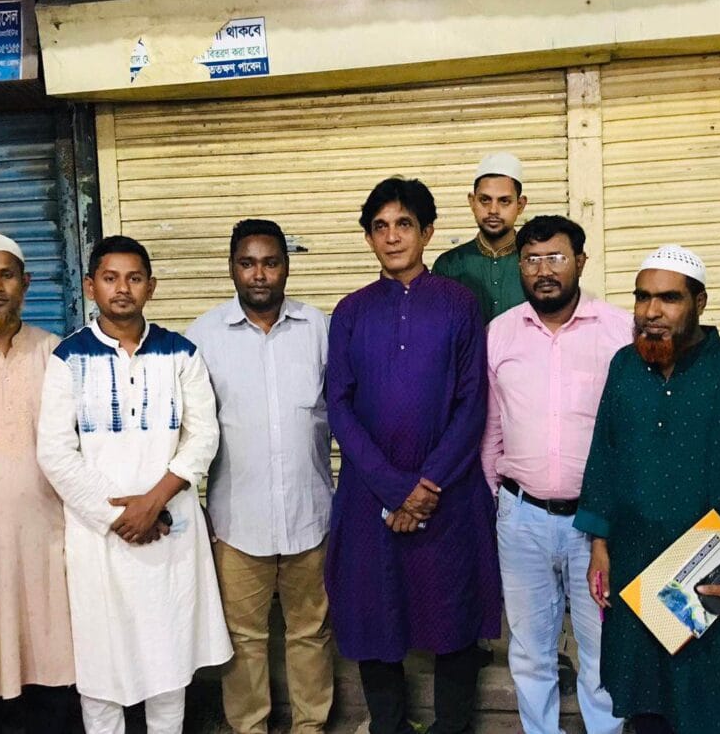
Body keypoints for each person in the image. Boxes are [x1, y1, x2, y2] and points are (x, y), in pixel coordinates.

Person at [325, 177, 501, 734]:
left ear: (427, 232)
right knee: (374, 614)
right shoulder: (350, 312)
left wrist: (428, 484)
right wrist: (395, 488)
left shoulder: (459, 304)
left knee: (453, 614)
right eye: (380, 227)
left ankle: (452, 727)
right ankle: (390, 726)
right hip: (370, 493)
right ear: (368, 238)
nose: (392, 236)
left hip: (447, 492)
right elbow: (338, 404)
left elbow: (472, 400)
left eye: (404, 224)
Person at [37, 234, 233, 734]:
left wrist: (153, 502)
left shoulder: (181, 353)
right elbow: (55, 453)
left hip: (169, 530)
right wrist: (118, 516)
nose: (122, 288)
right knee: (102, 670)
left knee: (169, 665)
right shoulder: (67, 358)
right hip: (100, 538)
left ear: (151, 286)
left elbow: (204, 435)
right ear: (91, 286)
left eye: (134, 278)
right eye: (110, 278)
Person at [574, 245, 720, 734]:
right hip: (634, 564)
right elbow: (604, 455)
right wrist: (599, 545)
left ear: (699, 303)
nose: (651, 312)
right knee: (645, 703)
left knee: (712, 704)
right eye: (642, 297)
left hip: (708, 568)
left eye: (668, 298)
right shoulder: (624, 366)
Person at [481, 215, 629, 734]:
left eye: (556, 258)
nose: (544, 271)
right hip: (521, 518)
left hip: (597, 526)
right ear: (519, 266)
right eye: (532, 259)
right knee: (529, 648)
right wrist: (496, 500)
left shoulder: (619, 330)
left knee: (602, 645)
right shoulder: (499, 333)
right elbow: (491, 427)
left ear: (581, 262)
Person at [187, 219, 334, 734]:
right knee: (243, 638)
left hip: (310, 514)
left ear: (286, 267)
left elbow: (343, 411)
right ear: (232, 267)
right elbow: (188, 429)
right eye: (247, 263)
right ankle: (249, 727)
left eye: (270, 263)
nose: (259, 274)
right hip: (236, 520)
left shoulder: (319, 330)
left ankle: (311, 726)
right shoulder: (202, 336)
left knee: (310, 631)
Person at [0, 233, 77, 734]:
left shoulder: (55, 351)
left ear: (25, 283)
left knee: (52, 646)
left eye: (6, 275)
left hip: (47, 530)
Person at [432, 152, 528, 324]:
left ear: (520, 205)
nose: (493, 210)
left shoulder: (536, 263)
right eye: (485, 200)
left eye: (504, 201)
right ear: (472, 201)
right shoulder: (449, 265)